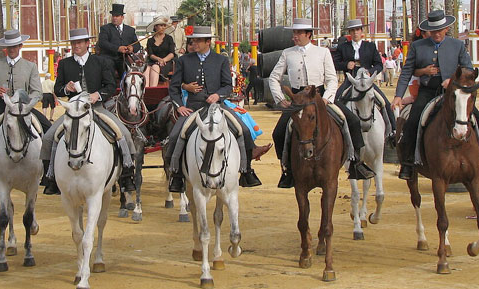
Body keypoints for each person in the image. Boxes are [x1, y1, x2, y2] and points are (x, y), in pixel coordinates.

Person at [269, 18, 375, 188]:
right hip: (297, 101)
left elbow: (332, 79)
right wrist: (280, 99)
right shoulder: (287, 53)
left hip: (320, 97)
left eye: (298, 33)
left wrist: (328, 98)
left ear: (308, 34)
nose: (294, 36)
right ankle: (287, 170)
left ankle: (356, 163)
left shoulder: (323, 52)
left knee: (352, 121)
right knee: (279, 132)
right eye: (294, 33)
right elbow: (274, 77)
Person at [391, 10, 479, 181]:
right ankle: (408, 163)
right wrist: (398, 95)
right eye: (433, 31)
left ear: (446, 29)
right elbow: (406, 71)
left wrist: (453, 79)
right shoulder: (417, 46)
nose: (437, 33)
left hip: (454, 93)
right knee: (413, 120)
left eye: (440, 30)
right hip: (427, 91)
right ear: (428, 31)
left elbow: (468, 68)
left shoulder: (458, 45)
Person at [166, 25, 270, 192]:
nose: (195, 43)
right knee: (174, 136)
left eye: (199, 40)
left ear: (208, 42)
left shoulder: (220, 60)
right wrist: (180, 107)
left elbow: (227, 86)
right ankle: (176, 175)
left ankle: (246, 170)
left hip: (217, 106)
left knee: (243, 129)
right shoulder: (183, 60)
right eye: (194, 40)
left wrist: (218, 95)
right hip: (193, 108)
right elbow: (174, 87)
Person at [40, 28, 137, 195]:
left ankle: (127, 174)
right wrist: (66, 88)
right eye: (73, 43)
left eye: (79, 42)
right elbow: (58, 89)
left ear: (87, 44)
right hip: (73, 110)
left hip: (96, 108)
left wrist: (97, 95)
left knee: (123, 134)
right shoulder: (64, 63)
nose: (76, 45)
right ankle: (51, 177)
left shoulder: (101, 62)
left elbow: (111, 86)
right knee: (49, 137)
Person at [0, 29, 52, 187]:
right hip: (3, 108)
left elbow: (37, 92)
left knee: (48, 130)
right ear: (5, 48)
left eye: (15, 46)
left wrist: (28, 103)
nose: (12, 49)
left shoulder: (30, 66)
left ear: (20, 46)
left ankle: (48, 173)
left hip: (25, 108)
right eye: (9, 47)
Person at [334, 19, 396, 136]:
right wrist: (346, 65)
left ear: (361, 31)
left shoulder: (370, 46)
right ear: (349, 33)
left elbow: (378, 64)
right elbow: (335, 62)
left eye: (357, 30)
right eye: (352, 30)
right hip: (351, 79)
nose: (355, 33)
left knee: (384, 102)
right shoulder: (343, 47)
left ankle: (393, 130)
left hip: (367, 81)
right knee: (336, 100)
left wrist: (370, 72)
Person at [98, 3, 142, 81]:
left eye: (117, 16)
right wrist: (118, 48)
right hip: (108, 58)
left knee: (128, 71)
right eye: (113, 16)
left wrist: (132, 48)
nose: (114, 18)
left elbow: (137, 44)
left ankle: (127, 90)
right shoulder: (105, 29)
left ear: (122, 17)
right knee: (109, 67)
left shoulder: (130, 30)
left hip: (123, 59)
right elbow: (102, 43)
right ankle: (112, 89)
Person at [144, 16, 175, 87]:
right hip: (153, 61)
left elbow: (172, 54)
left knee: (155, 67)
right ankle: (146, 92)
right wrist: (158, 59)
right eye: (161, 25)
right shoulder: (150, 40)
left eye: (164, 25)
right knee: (146, 69)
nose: (163, 27)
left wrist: (162, 60)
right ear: (155, 27)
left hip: (166, 62)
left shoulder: (169, 38)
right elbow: (151, 54)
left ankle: (153, 90)